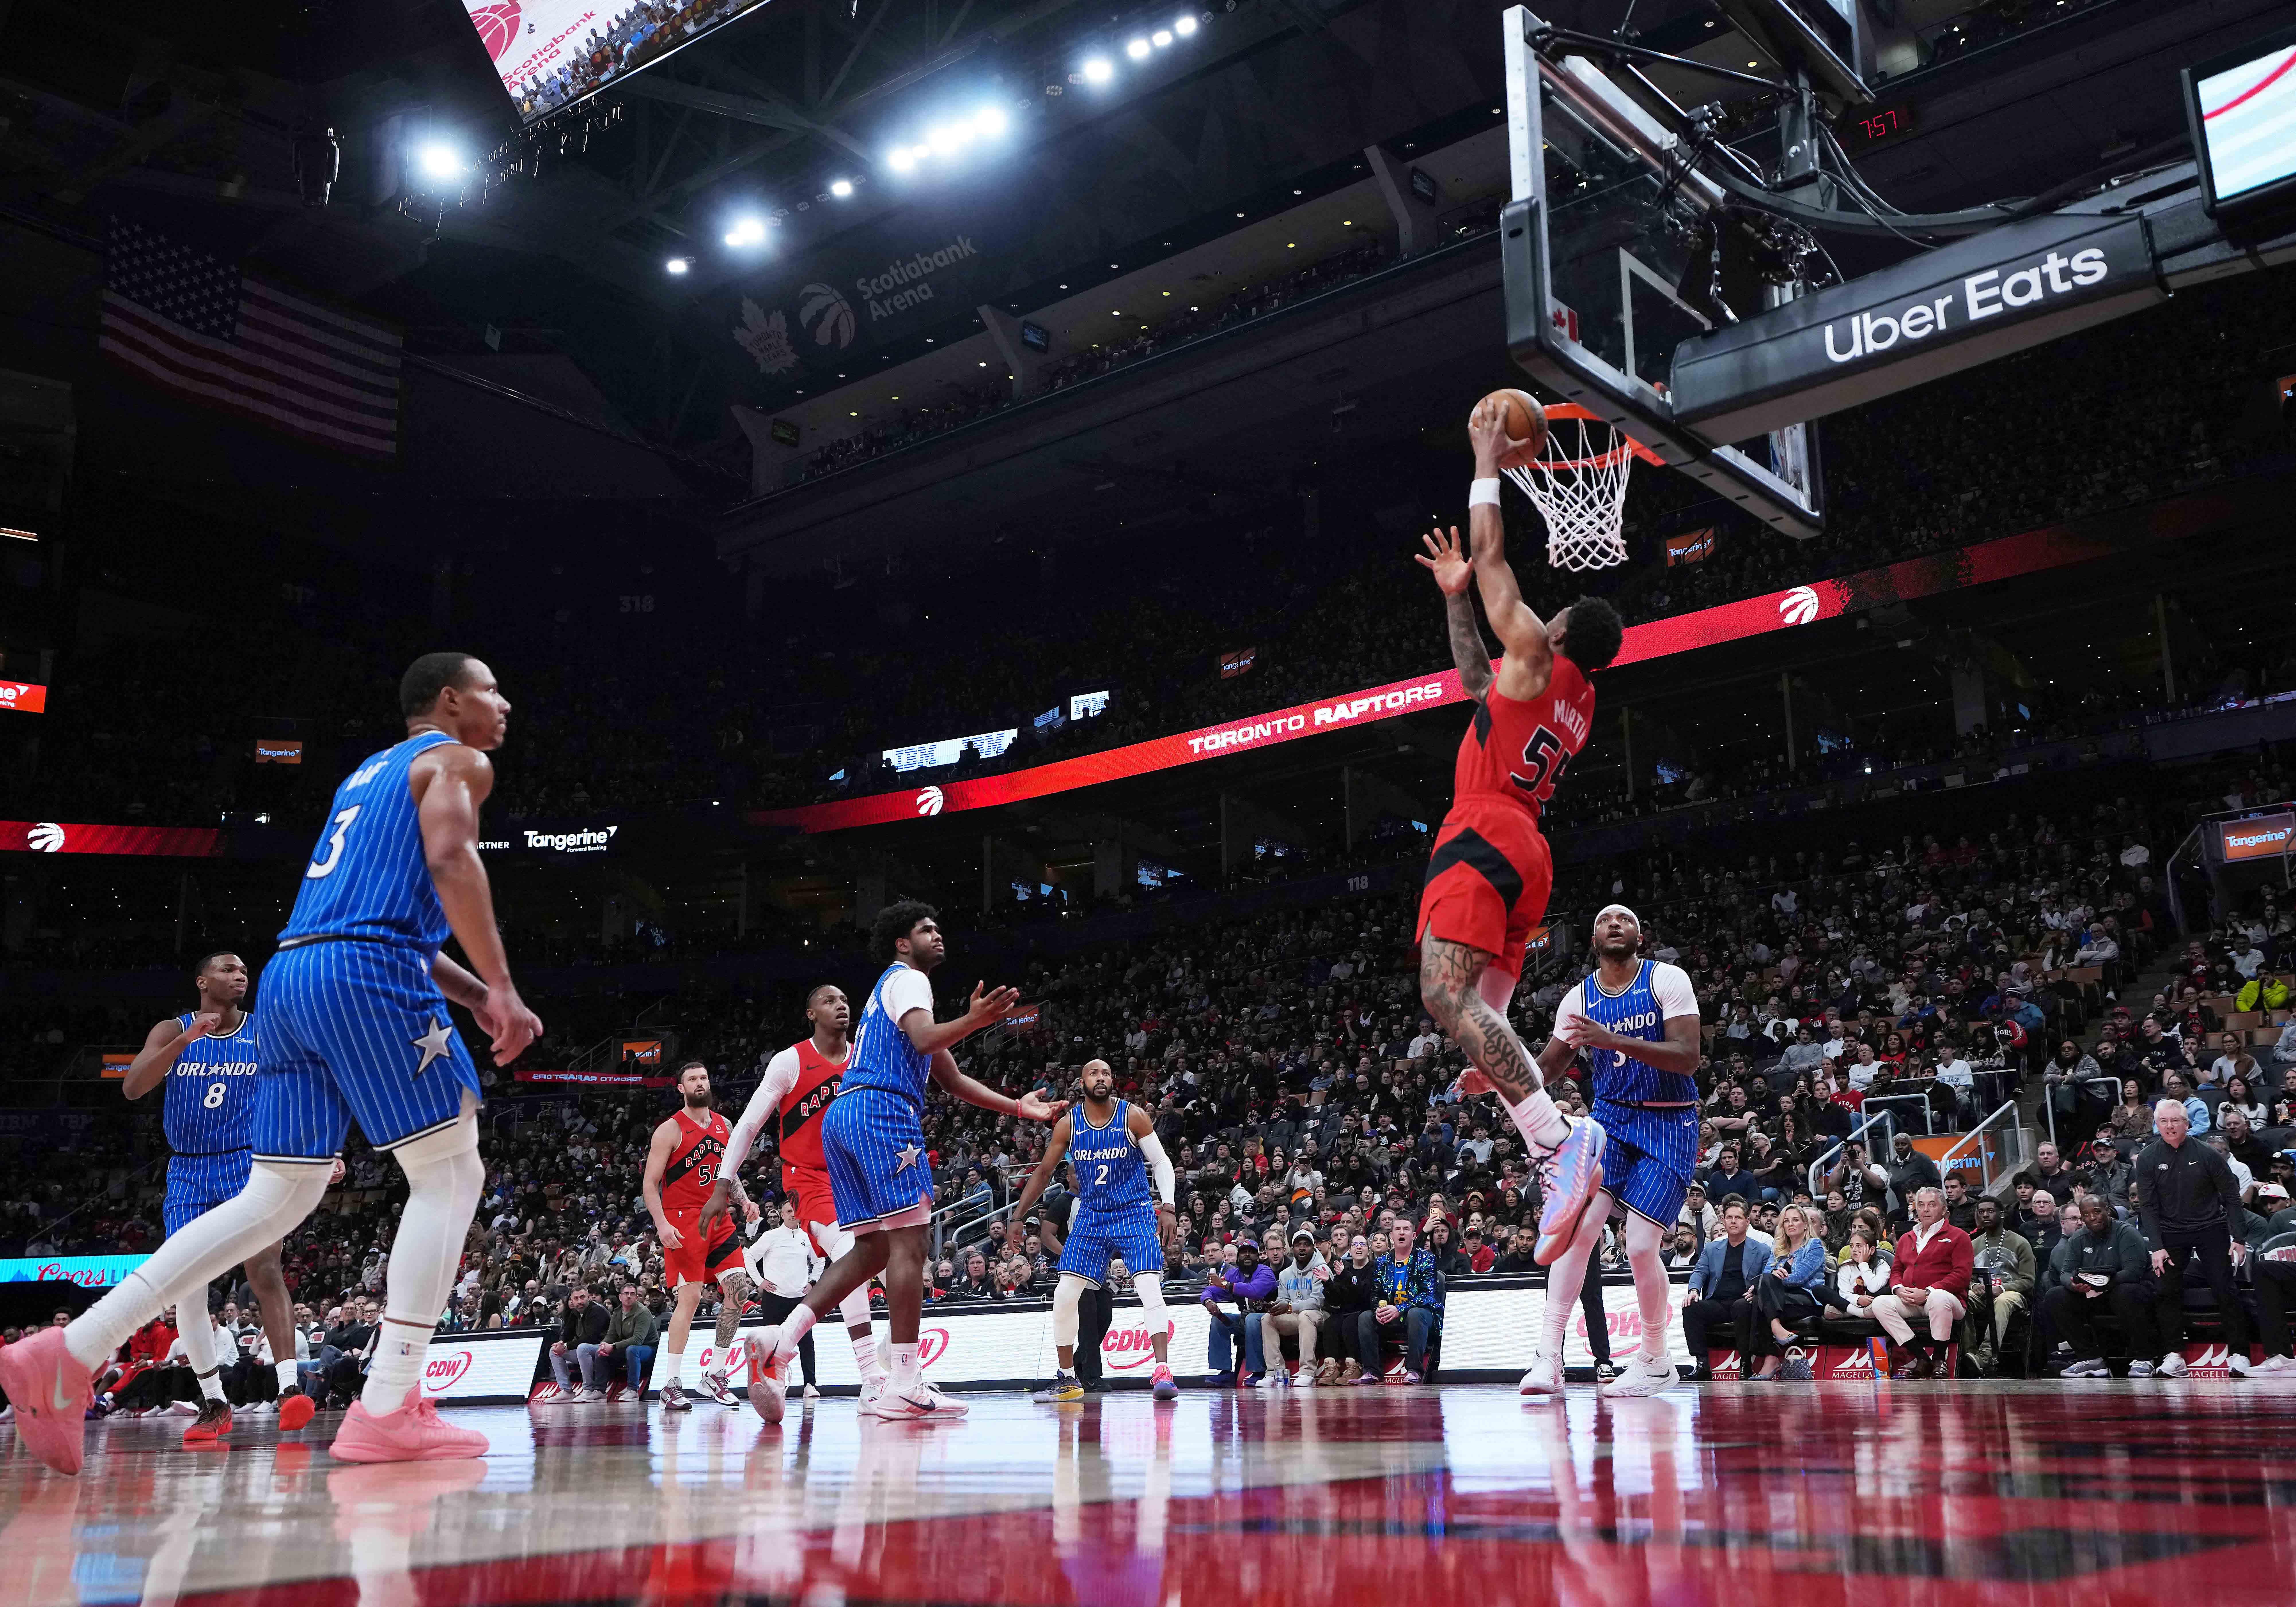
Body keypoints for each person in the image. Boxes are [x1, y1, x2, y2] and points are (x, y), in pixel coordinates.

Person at [2, 652, 542, 1474]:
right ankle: (391, 1403)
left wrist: (469, 995)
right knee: (448, 1175)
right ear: (449, 700)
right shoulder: (460, 758)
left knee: (278, 1193)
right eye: (491, 689)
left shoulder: (365, 775)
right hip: (367, 974)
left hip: (294, 974)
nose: (504, 704)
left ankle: (74, 1347)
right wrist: (501, 985)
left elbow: (366, 908)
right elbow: (449, 858)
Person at [1410, 412, 1626, 1266]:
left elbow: (1497, 555)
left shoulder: (1538, 647)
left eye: (1553, 610)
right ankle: (1552, 1153)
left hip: (1485, 826)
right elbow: (1475, 684)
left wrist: (1482, 462)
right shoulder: (1565, 692)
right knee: (1481, 1023)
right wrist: (1457, 597)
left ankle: (1558, 1141)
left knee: (1441, 995)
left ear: (1561, 627)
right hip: (1526, 848)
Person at [744, 901, 1061, 1420]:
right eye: (925, 928)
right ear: (901, 941)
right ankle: (905, 1380)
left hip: (844, 1116)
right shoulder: (909, 979)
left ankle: (781, 1340)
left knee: (869, 1250)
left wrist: (1020, 1106)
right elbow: (925, 1038)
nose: (938, 935)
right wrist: (977, 1019)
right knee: (909, 1244)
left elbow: (951, 1078)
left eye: (939, 926)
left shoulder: (890, 995)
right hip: (883, 1112)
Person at [118, 951, 318, 1444]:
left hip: (247, 1163)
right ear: (203, 980)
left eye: (245, 971)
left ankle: (290, 1388)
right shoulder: (171, 1029)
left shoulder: (265, 1029)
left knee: (265, 1269)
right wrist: (187, 1041)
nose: (240, 975)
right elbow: (132, 1086)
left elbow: (300, 1089)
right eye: (229, 969)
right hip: (188, 1168)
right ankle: (213, 1401)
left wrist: (319, 1149)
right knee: (188, 1283)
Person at [1518, 907, 1704, 1401]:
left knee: (1642, 1245)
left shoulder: (1668, 978)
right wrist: (1498, 1079)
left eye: (1625, 918)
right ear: (1594, 937)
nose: (1615, 922)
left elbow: (1688, 1055)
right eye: (1604, 919)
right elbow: (1550, 1067)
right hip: (1612, 1121)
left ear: (1640, 935)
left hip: (1670, 1118)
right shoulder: (1579, 998)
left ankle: (1656, 1359)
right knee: (1577, 1232)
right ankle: (1548, 1356)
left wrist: (1611, 1039)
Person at [705, 984, 886, 1405]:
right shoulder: (791, 1061)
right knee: (851, 1254)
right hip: (809, 1179)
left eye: (845, 1000)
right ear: (810, 1014)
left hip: (858, 1179)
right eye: (829, 1001)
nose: (841, 1006)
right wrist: (723, 1183)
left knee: (898, 1262)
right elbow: (749, 1125)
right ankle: (871, 1377)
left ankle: (783, 1343)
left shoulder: (864, 1058)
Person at [1010, 1059, 1179, 1403]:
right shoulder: (1069, 1125)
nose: (1101, 1078)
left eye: (1106, 1074)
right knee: (1064, 1294)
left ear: (1112, 1081)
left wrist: (1169, 1206)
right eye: (1093, 1074)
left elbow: (1161, 1162)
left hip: (1133, 1211)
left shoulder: (1132, 1115)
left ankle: (1162, 1370)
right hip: (1092, 1215)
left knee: (1149, 1287)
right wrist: (1017, 1215)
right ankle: (1068, 1379)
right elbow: (1043, 1172)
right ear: (1082, 1083)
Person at [643, 1061, 758, 1410]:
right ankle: (671, 1383)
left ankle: (716, 1374)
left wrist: (745, 1200)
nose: (699, 1083)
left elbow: (730, 1173)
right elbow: (649, 1184)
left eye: (703, 1078)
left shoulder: (725, 1125)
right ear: (680, 1088)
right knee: (690, 1299)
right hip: (683, 1220)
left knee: (739, 1289)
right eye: (692, 1079)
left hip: (719, 1217)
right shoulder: (669, 1130)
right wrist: (662, 1224)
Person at [2137, 1099, 2253, 1377]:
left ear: (2187, 1124)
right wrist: (2156, 1247)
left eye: (2175, 1121)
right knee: (2165, 1291)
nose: (2169, 1126)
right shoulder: (2148, 1158)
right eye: (2163, 1121)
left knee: (2224, 1288)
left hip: (2209, 1227)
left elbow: (2232, 1197)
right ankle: (2175, 1355)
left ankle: (2240, 1353)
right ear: (2157, 1124)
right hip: (2170, 1231)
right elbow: (2148, 1206)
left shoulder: (2207, 1154)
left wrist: (2238, 1237)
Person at [2043, 1195, 2159, 1378]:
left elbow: (2133, 1272)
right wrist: (2075, 1286)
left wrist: (2102, 1284)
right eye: (2086, 1215)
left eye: (2097, 1212)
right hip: (2094, 1294)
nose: (2092, 1218)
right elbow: (2065, 1273)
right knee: (2055, 1296)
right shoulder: (2078, 1238)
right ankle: (2091, 1360)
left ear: (2107, 1211)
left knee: (2126, 1292)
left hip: (2132, 1292)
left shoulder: (2126, 1232)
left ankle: (2144, 1357)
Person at [1874, 1187, 1973, 1378]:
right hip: (1910, 1300)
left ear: (1944, 1210)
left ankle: (1939, 1360)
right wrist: (1898, 1289)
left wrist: (1927, 1292)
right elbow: (1896, 1271)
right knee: (1880, 1303)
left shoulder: (1958, 1236)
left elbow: (1961, 1275)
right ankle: (1921, 1358)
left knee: (1938, 1297)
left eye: (1932, 1205)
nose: (1926, 1210)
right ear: (1915, 1209)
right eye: (1921, 1205)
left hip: (1948, 1302)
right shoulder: (1906, 1238)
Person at [1680, 1198, 1772, 1378]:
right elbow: (1699, 1272)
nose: (1733, 1221)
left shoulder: (1762, 1250)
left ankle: (1746, 1362)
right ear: (1724, 1221)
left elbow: (1766, 1278)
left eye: (1738, 1218)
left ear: (1747, 1222)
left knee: (1741, 1306)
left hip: (1746, 1300)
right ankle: (1702, 1364)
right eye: (1729, 1218)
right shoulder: (1712, 1248)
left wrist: (1757, 1291)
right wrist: (1694, 1291)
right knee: (1691, 1307)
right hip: (1718, 1301)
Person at [747, 1199, 824, 1395]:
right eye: (788, 1211)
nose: (792, 1214)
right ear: (781, 1215)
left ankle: (810, 1385)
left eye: (795, 1210)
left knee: (807, 1342)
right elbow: (748, 1256)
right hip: (775, 1297)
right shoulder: (771, 1235)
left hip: (800, 1298)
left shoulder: (807, 1236)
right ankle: (771, 1386)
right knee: (771, 1344)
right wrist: (759, 1282)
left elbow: (820, 1260)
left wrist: (813, 1282)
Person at [1748, 1203, 1829, 1379]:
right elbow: (1766, 1274)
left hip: (1807, 1298)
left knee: (1762, 1295)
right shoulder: (1779, 1248)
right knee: (1751, 1302)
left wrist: (1776, 1280)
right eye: (1786, 1221)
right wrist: (1766, 1283)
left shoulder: (1815, 1246)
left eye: (1795, 1220)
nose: (1791, 1224)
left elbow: (1800, 1278)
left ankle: (1768, 1357)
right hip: (1781, 1300)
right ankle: (1773, 1344)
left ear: (1805, 1224)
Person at [1964, 1197, 2036, 1376]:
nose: (1986, 1215)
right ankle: (1970, 1355)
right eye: (1981, 1212)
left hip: (2013, 1294)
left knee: (2003, 1300)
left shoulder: (2020, 1243)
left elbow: (2029, 1280)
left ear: (2002, 1214)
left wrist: (2002, 1288)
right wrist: (1973, 1287)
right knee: (1961, 1300)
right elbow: (1967, 1278)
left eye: (1991, 1211)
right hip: (1983, 1294)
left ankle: (1987, 1355)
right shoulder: (1973, 1245)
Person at [1200, 1238, 1274, 1385]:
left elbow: (1255, 1292)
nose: (1247, 1255)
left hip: (1270, 1319)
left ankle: (1258, 1371)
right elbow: (1209, 1290)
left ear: (1258, 1257)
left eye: (1251, 1252)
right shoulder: (1233, 1274)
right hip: (1245, 1318)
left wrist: (1225, 1284)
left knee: (1252, 1319)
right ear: (1238, 1258)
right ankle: (1225, 1372)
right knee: (1218, 1320)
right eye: (1243, 1252)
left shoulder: (1266, 1272)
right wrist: (1209, 1301)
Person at [1261, 1226, 1330, 1384]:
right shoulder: (1286, 1274)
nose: (1302, 1248)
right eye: (1298, 1245)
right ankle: (1274, 1371)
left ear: (1313, 1248)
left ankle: (1307, 1372)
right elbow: (1283, 1299)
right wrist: (1275, 1306)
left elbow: (1317, 1302)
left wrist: (1290, 1307)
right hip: (1296, 1316)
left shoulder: (1322, 1269)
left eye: (1306, 1245)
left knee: (1306, 1316)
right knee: (1267, 1319)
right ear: (1292, 1249)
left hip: (1321, 1316)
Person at [1322, 1235, 1378, 1383]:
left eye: (1363, 1244)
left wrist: (1346, 1275)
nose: (1359, 1247)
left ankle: (1356, 1366)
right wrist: (1328, 1283)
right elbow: (1337, 1299)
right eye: (1355, 1245)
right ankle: (1332, 1367)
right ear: (1350, 1250)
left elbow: (1365, 1292)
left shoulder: (1374, 1268)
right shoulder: (1344, 1269)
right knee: (1330, 1324)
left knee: (1350, 1323)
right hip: (1346, 1311)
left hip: (1365, 1311)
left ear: (1369, 1249)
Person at [546, 1286, 609, 1402]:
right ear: (572, 1300)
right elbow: (567, 1333)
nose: (580, 1302)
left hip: (603, 1349)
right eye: (576, 1299)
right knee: (554, 1351)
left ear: (589, 1298)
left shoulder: (597, 1311)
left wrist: (566, 1346)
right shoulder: (575, 1313)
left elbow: (591, 1338)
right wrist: (561, 1342)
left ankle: (588, 1389)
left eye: (583, 1298)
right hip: (587, 1351)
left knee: (582, 1348)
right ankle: (566, 1391)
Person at [595, 1283, 659, 1397]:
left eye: (633, 1294)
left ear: (637, 1298)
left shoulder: (643, 1312)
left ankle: (633, 1390)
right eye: (626, 1294)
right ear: (620, 1297)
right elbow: (611, 1335)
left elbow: (638, 1340)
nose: (629, 1296)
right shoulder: (617, 1312)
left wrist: (613, 1346)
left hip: (650, 1349)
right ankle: (599, 1391)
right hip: (628, 1347)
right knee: (601, 1353)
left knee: (632, 1350)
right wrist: (604, 1345)